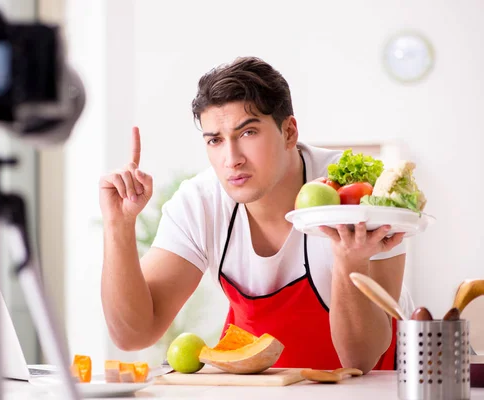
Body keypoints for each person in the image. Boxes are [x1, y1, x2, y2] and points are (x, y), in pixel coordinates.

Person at [99, 56, 412, 373]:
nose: (231, 159)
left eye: (248, 133)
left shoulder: (357, 196)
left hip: (374, 386)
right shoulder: (200, 202)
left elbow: (361, 359)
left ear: (289, 132)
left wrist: (350, 260)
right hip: (259, 387)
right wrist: (118, 226)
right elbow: (133, 334)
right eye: (216, 140)